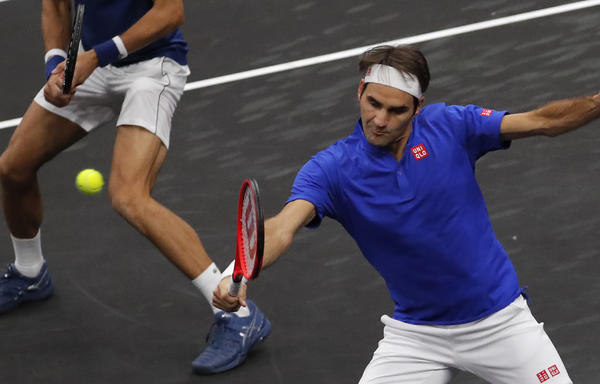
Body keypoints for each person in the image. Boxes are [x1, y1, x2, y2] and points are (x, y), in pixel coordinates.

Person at [0, 0, 269, 375]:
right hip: (89, 63)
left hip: (151, 66)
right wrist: (56, 61)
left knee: (127, 195)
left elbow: (170, 11)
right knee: (12, 167)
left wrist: (98, 55)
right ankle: (29, 273)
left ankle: (238, 312)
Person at [214, 43, 600, 383]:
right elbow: (283, 226)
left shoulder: (452, 126)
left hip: (500, 323)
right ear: (360, 91)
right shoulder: (331, 169)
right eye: (373, 103)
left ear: (417, 107)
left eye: (396, 110)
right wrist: (237, 271)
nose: (380, 120)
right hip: (417, 337)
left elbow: (543, 121)